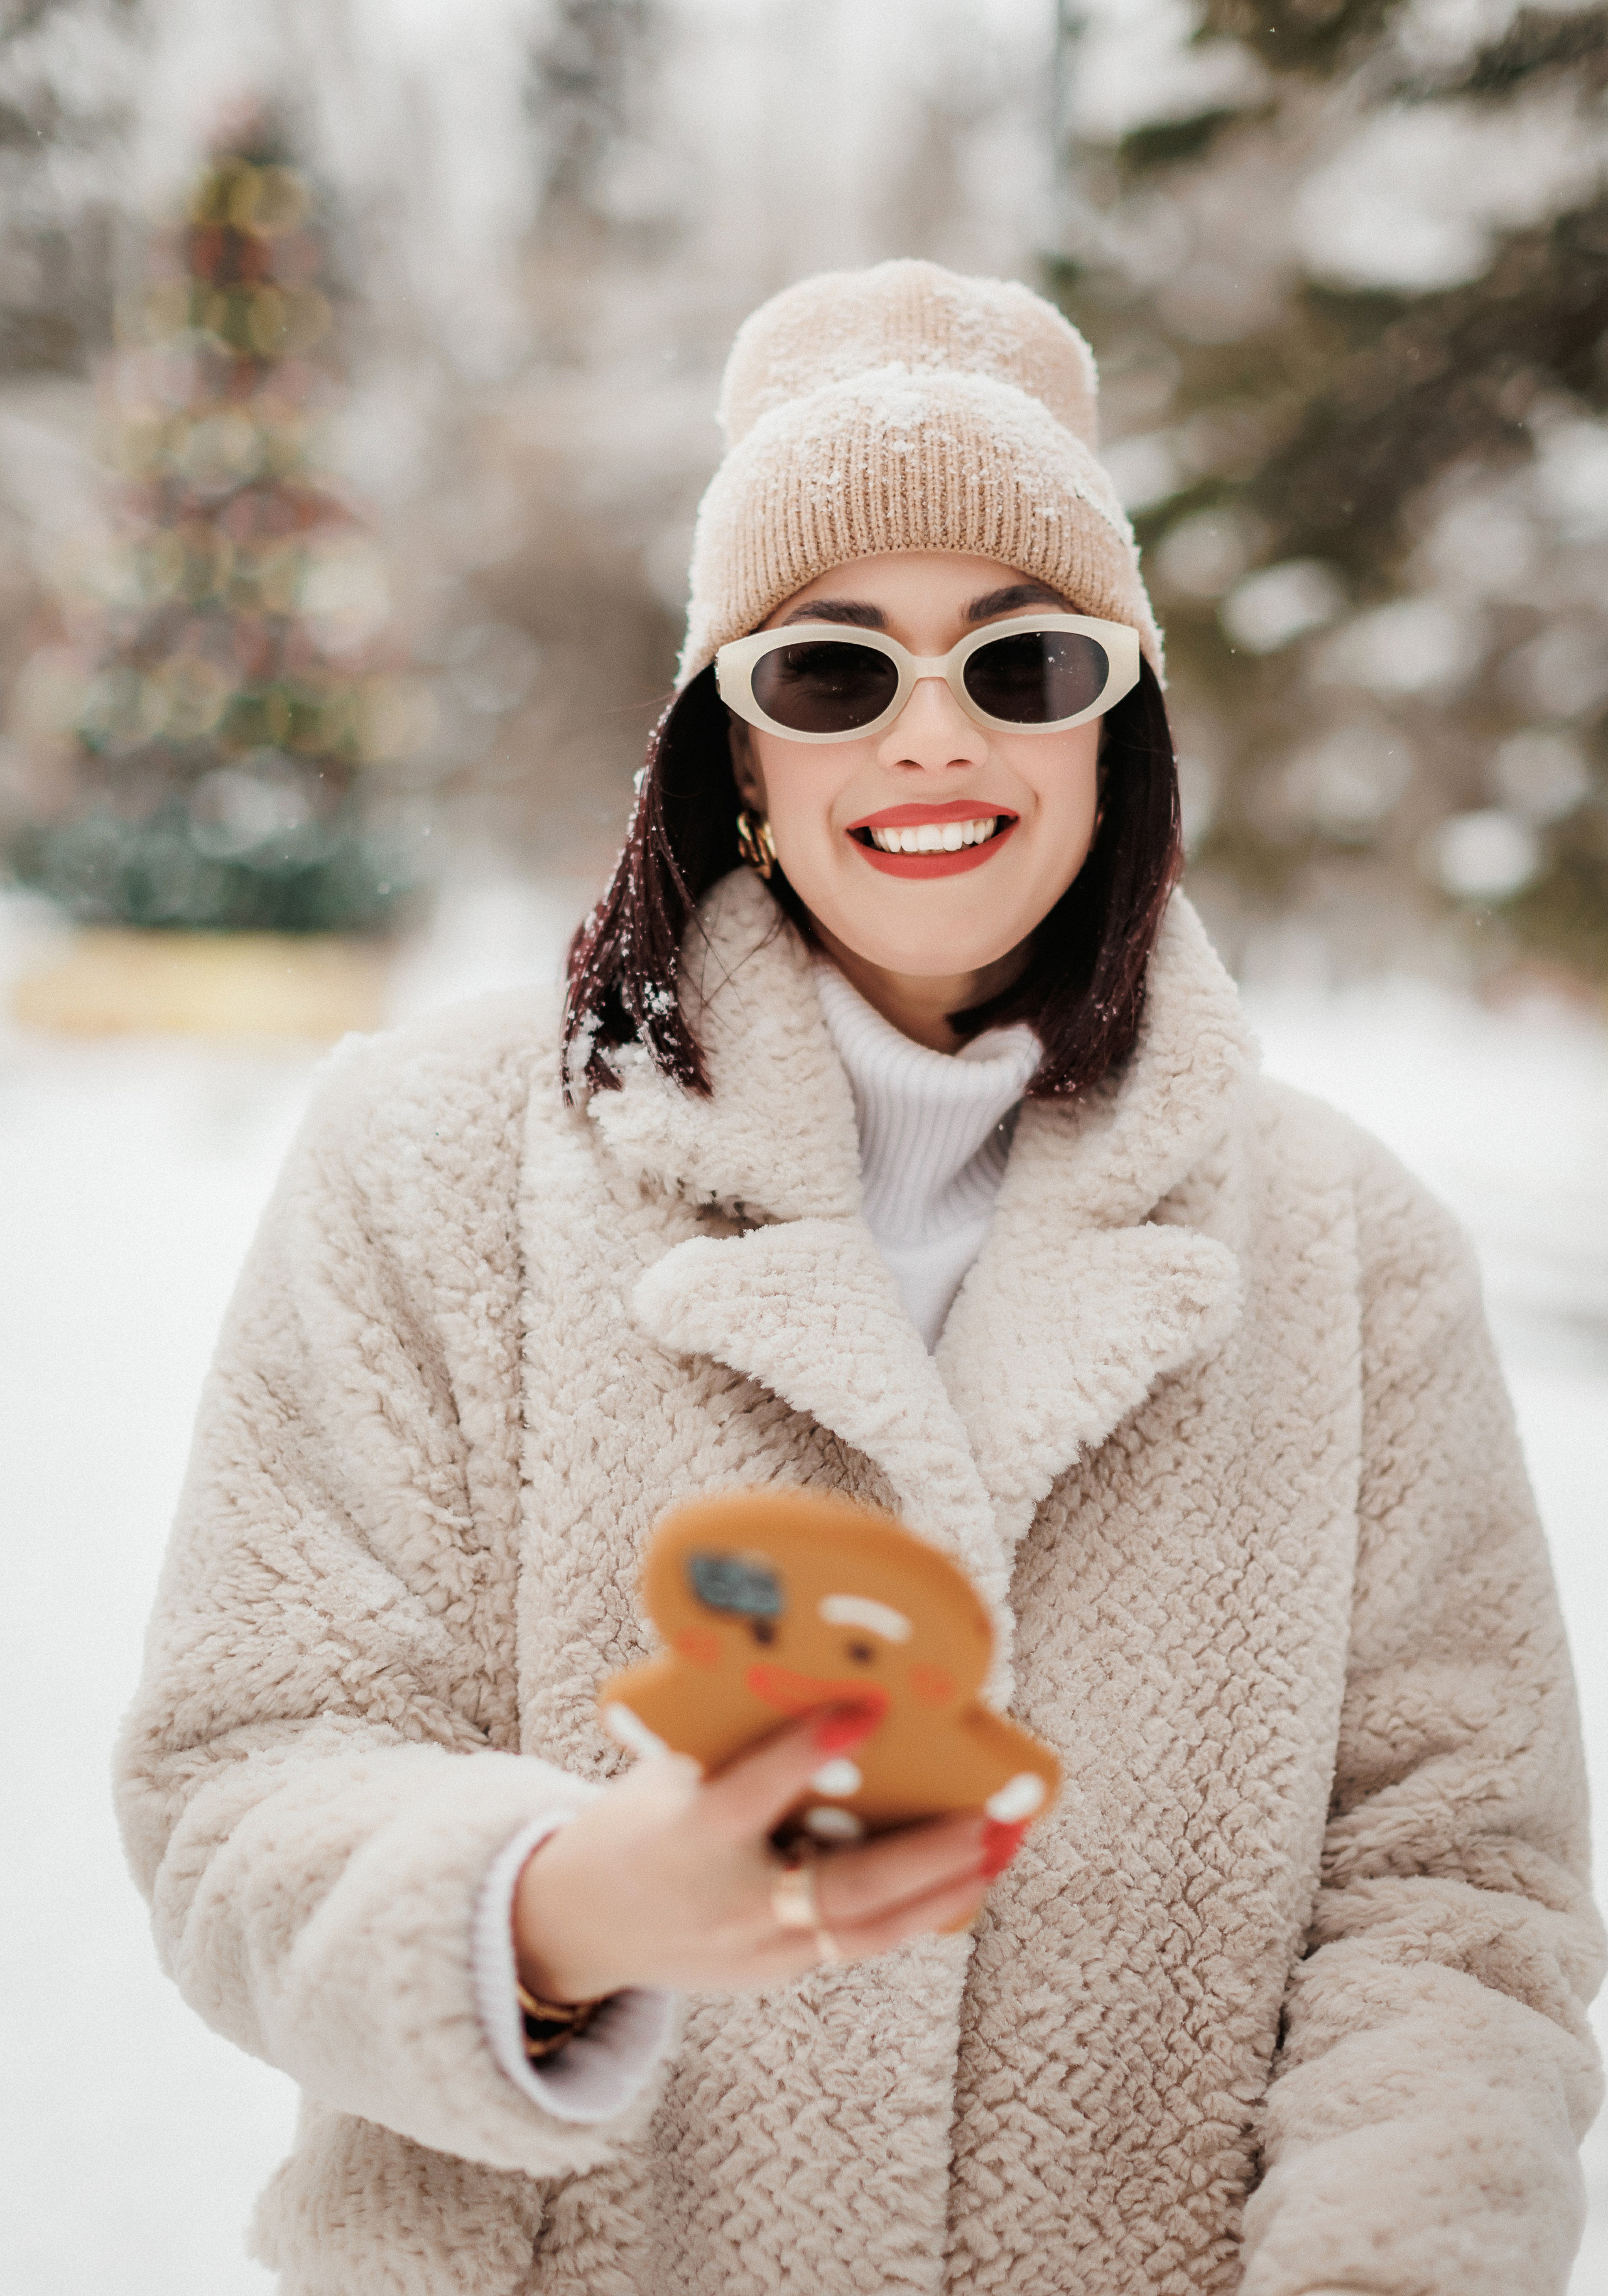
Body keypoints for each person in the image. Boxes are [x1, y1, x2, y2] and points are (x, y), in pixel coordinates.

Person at [116, 261, 1603, 2296]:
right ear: (732, 742)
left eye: (1024, 668)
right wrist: (565, 1906)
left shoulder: (1353, 1257)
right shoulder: (432, 1160)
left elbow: (1456, 1902)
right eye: (830, 672)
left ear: (1118, 724)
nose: (931, 744)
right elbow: (244, 1775)